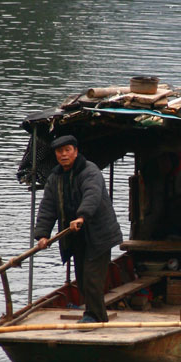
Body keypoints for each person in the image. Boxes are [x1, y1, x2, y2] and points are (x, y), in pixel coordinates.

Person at [34, 135, 123, 323]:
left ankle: (96, 316)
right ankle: (93, 313)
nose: (64, 154)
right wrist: (42, 235)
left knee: (92, 279)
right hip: (76, 237)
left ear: (75, 151)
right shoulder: (55, 177)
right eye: (60, 151)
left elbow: (92, 195)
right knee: (82, 280)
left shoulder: (90, 171)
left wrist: (81, 216)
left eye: (68, 150)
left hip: (99, 234)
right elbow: (47, 207)